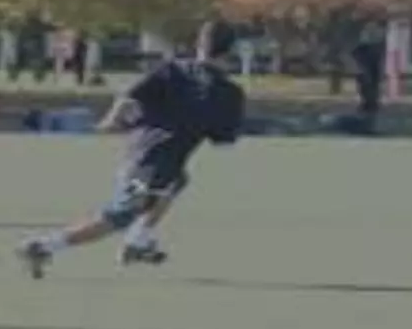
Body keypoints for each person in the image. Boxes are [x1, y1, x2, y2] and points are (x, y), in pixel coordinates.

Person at [17, 20, 248, 278]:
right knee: (118, 216)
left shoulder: (173, 69)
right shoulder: (230, 93)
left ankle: (137, 242)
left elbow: (129, 96)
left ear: (199, 44)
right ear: (231, 51)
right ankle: (42, 246)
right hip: (153, 165)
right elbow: (224, 140)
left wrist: (111, 121)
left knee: (177, 181)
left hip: (143, 154)